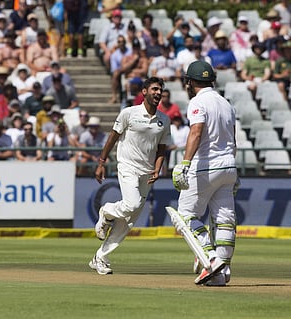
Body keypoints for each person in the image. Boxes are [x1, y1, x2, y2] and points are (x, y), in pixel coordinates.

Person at [90, 77, 171, 275]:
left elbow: (162, 149)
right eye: (154, 89)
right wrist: (101, 163)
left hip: (147, 172)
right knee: (132, 204)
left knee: (128, 222)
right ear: (144, 91)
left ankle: (100, 257)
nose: (158, 93)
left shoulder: (164, 119)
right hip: (127, 166)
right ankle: (106, 211)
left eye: (160, 90)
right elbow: (113, 137)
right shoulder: (129, 113)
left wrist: (157, 169)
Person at [171, 60, 237, 286]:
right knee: (224, 220)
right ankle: (222, 273)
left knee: (184, 215)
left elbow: (196, 132)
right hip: (229, 166)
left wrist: (184, 163)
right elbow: (233, 139)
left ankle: (211, 258)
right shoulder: (226, 104)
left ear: (190, 82)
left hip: (207, 166)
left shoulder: (198, 102)